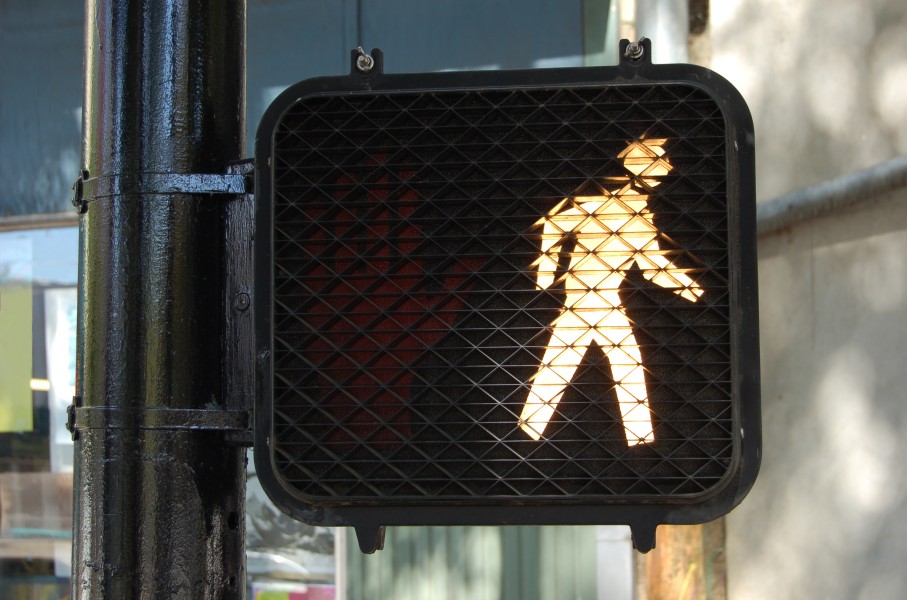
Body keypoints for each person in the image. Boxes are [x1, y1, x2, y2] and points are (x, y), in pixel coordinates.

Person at [518, 139, 703, 446]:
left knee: (582, 363)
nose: (666, 168)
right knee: (615, 362)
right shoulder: (600, 203)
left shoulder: (639, 216)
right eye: (659, 161)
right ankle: (640, 441)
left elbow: (651, 265)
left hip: (605, 299)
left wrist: (690, 287)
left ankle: (531, 431)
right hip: (585, 299)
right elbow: (553, 223)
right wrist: (545, 273)